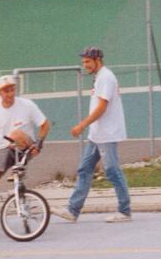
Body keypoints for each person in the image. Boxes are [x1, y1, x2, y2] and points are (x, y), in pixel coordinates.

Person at [0, 75, 51, 242]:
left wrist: (38, 145)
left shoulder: (27, 105)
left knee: (15, 134)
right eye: (6, 90)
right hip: (1, 150)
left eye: (12, 89)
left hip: (24, 147)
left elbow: (45, 124)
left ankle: (16, 171)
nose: (10, 93)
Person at [55, 47, 132, 223]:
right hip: (97, 134)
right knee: (84, 169)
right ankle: (72, 210)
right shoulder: (100, 77)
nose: (85, 65)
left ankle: (125, 211)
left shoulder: (106, 77)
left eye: (88, 62)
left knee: (112, 171)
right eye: (83, 62)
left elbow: (102, 107)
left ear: (98, 60)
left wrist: (82, 124)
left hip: (107, 134)